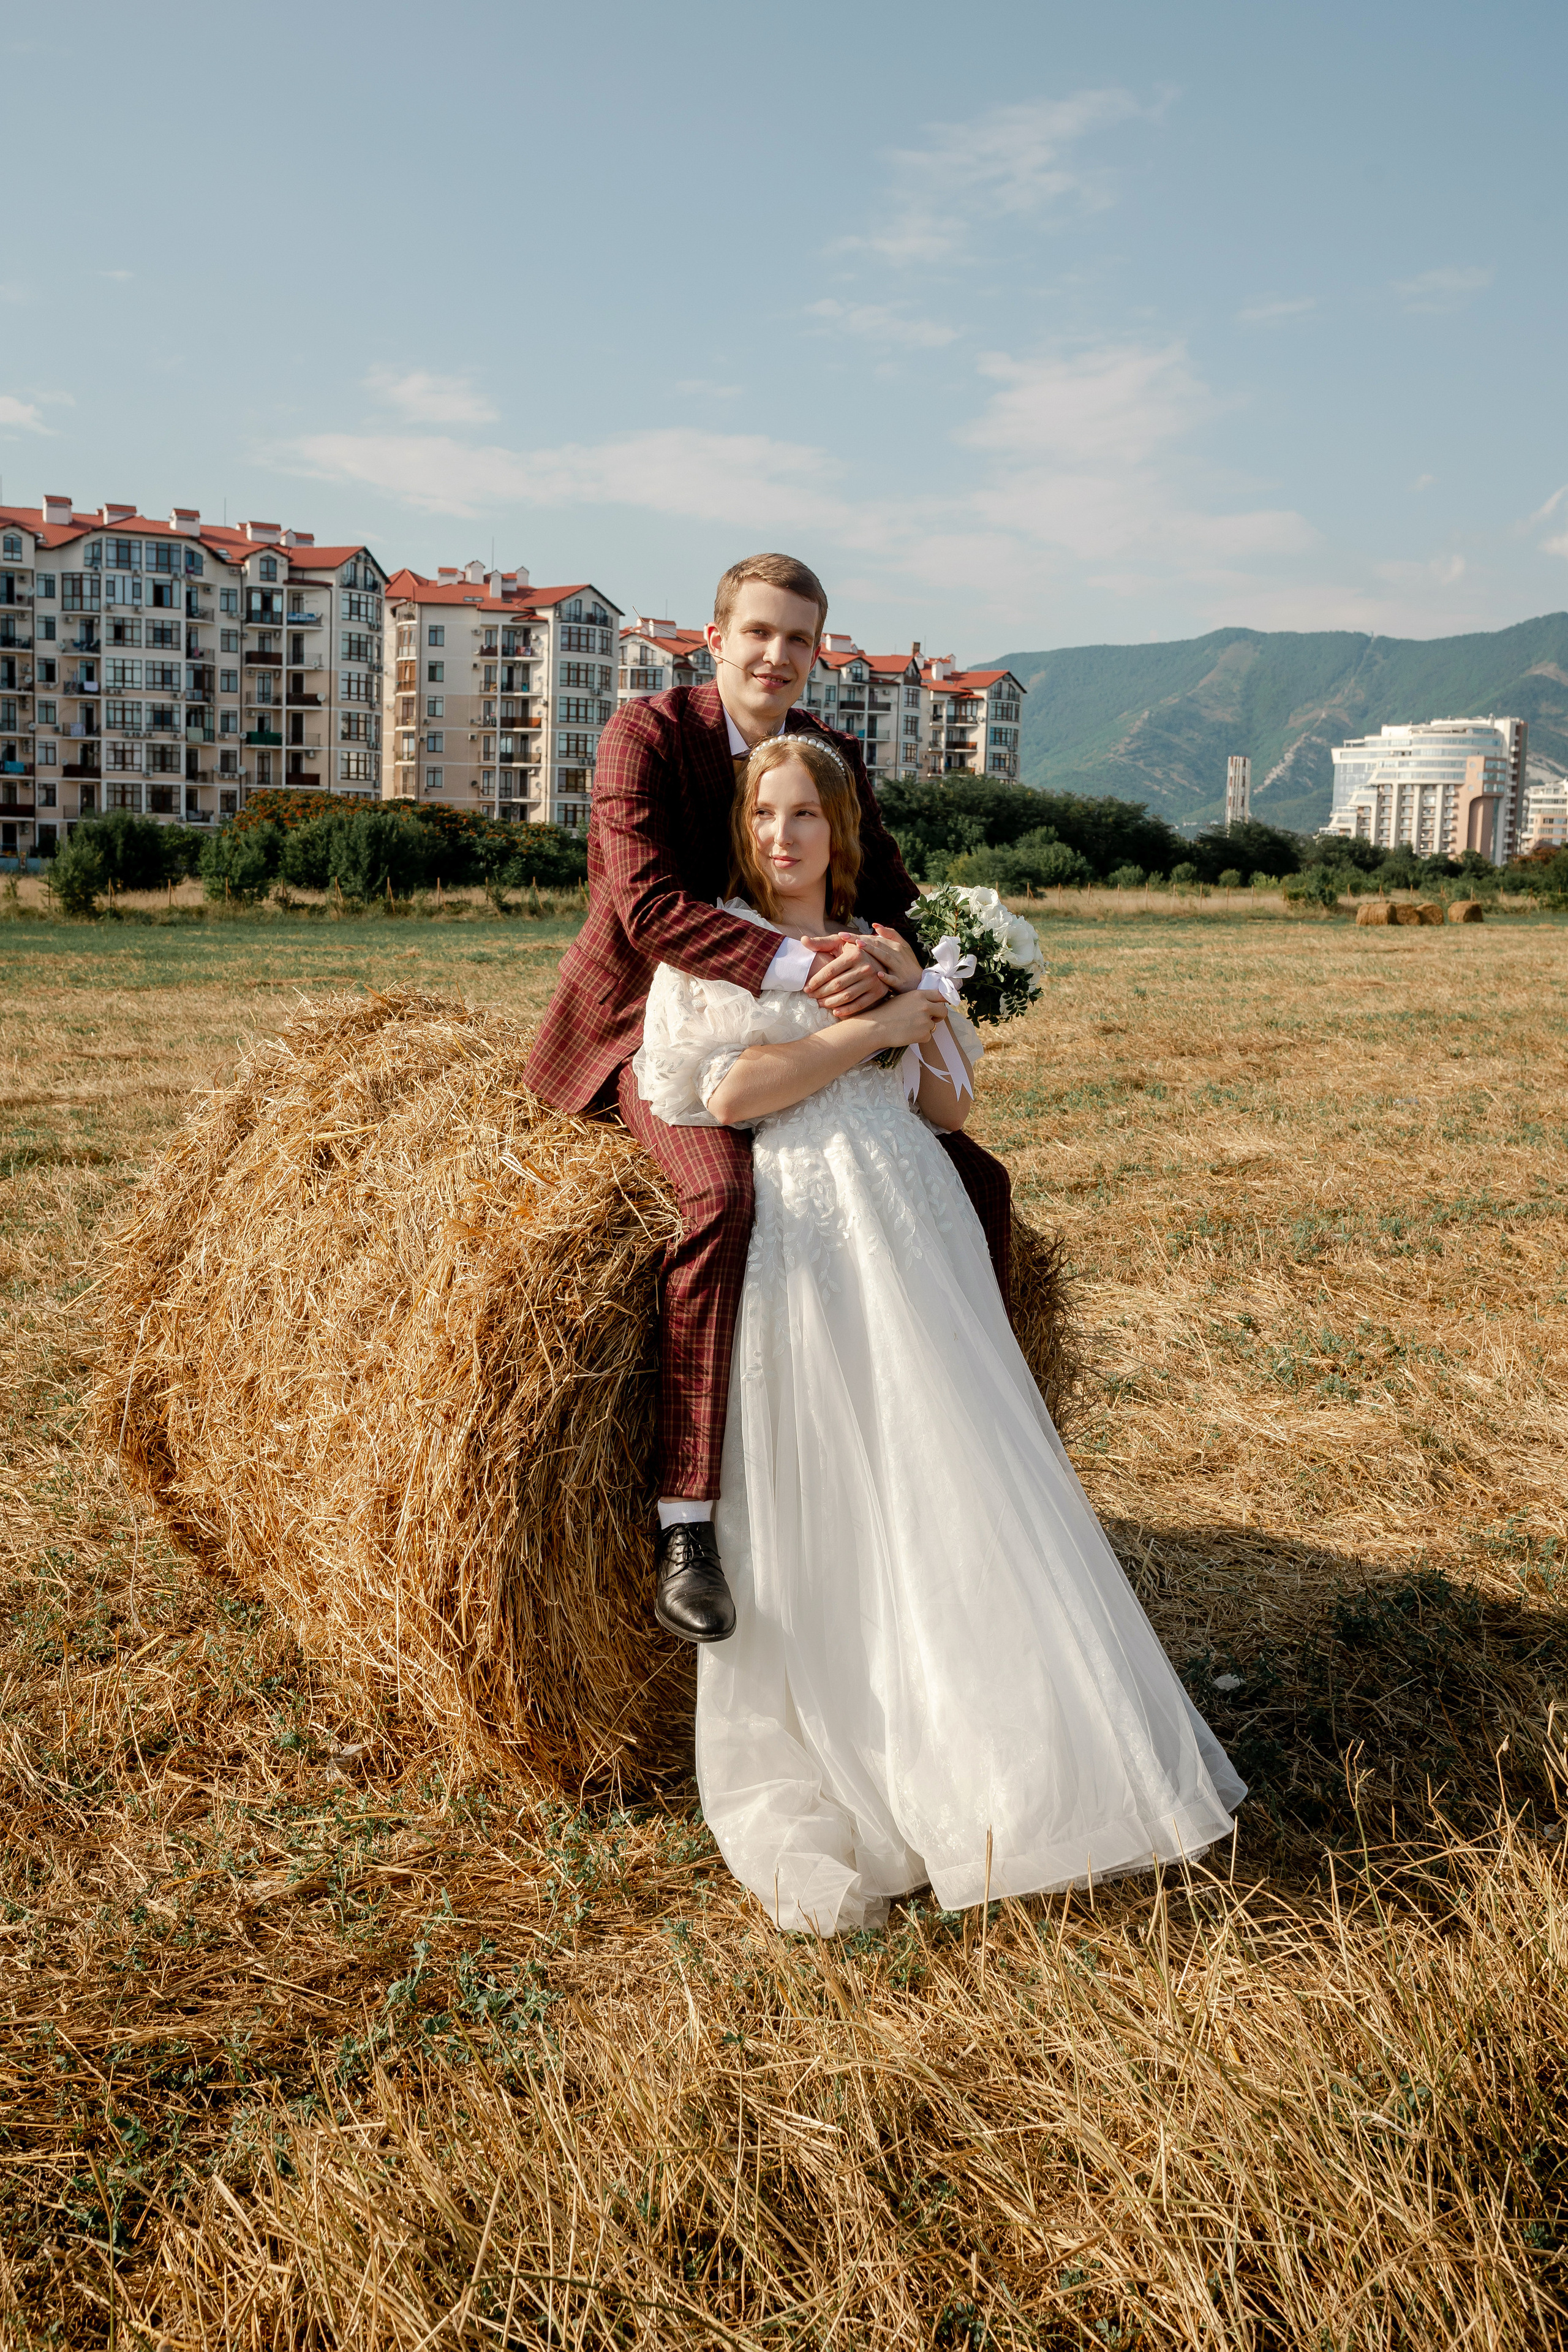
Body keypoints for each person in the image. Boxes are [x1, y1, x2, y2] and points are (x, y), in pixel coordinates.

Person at [631, 736, 1246, 1933]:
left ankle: (1004, 1771)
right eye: (766, 814)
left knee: (951, 1477)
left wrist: (923, 1015)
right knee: (833, 1489)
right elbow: (729, 1099)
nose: (784, 836)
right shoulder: (713, 947)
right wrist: (868, 1028)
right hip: (808, 1224)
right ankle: (867, 1767)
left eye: (806, 814)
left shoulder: (888, 939)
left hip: (911, 1212)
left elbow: (949, 1103)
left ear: (838, 830)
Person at [526, 552, 1012, 1645]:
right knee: (721, 1204)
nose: (776, 656)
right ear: (714, 638)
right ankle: (687, 1520)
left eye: (798, 639)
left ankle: (994, 1453)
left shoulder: (828, 752)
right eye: (757, 633)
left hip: (807, 1026)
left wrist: (893, 961)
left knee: (980, 1181)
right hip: (657, 1036)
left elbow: (892, 895)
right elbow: (648, 908)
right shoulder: (644, 736)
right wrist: (809, 971)